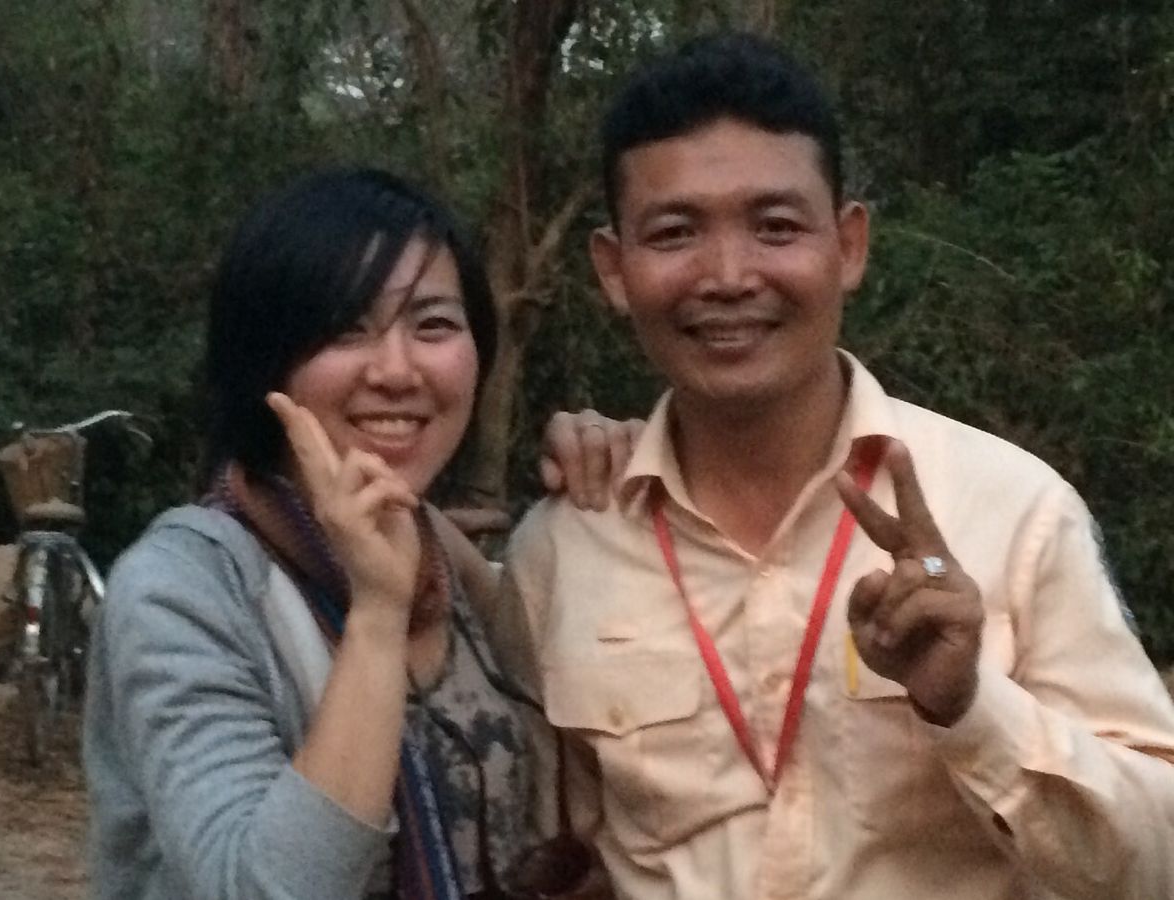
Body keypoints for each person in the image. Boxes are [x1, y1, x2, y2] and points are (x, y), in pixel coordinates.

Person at [494, 32, 1174, 900]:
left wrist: (970, 706)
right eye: (674, 233)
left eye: (776, 227)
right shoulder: (561, 552)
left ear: (849, 245)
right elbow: (553, 850)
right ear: (613, 269)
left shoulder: (1012, 510)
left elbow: (1160, 859)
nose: (728, 275)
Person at [83, 168, 625, 900]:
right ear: (265, 360)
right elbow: (260, 889)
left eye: (433, 325)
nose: (397, 371)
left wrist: (618, 457)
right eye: (345, 329)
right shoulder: (181, 591)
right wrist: (375, 614)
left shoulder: (440, 551)